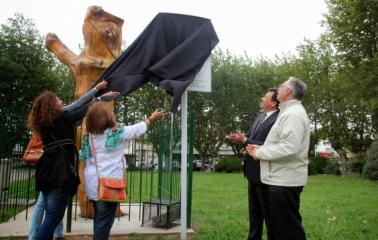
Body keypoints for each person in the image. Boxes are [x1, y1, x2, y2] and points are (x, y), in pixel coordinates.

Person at [27, 80, 118, 240]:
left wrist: (97, 90)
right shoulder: (62, 117)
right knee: (53, 217)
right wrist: (102, 98)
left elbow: (77, 105)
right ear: (51, 105)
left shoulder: (46, 121)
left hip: (46, 172)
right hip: (59, 173)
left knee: (50, 214)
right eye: (56, 99)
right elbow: (82, 109)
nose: (60, 100)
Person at [79, 102, 166, 240]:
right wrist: (151, 118)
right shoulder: (116, 134)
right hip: (109, 184)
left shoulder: (89, 136)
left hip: (93, 182)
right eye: (110, 112)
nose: (113, 114)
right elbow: (138, 128)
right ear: (105, 118)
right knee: (105, 221)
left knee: (100, 218)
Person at [246, 77, 310, 240]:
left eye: (281, 87)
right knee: (277, 228)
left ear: (288, 91)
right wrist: (260, 148)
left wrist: (259, 153)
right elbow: (282, 142)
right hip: (279, 179)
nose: (278, 90)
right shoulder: (288, 112)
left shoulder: (293, 114)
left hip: (285, 181)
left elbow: (290, 147)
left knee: (288, 229)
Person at [226, 89, 279, 240]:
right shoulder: (260, 116)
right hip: (252, 172)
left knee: (268, 214)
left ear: (274, 103)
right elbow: (249, 138)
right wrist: (240, 138)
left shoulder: (278, 119)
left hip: (265, 173)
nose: (262, 99)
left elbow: (268, 145)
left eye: (265, 97)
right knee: (254, 213)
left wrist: (245, 141)